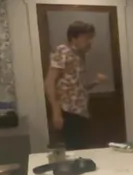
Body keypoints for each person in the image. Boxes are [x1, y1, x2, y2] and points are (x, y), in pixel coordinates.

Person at [45, 21, 108, 150]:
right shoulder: (63, 51)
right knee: (74, 151)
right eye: (87, 38)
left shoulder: (79, 56)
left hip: (81, 112)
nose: (90, 42)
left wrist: (96, 81)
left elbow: (78, 86)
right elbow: (50, 81)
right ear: (74, 38)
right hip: (68, 111)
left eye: (91, 38)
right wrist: (56, 112)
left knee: (82, 150)